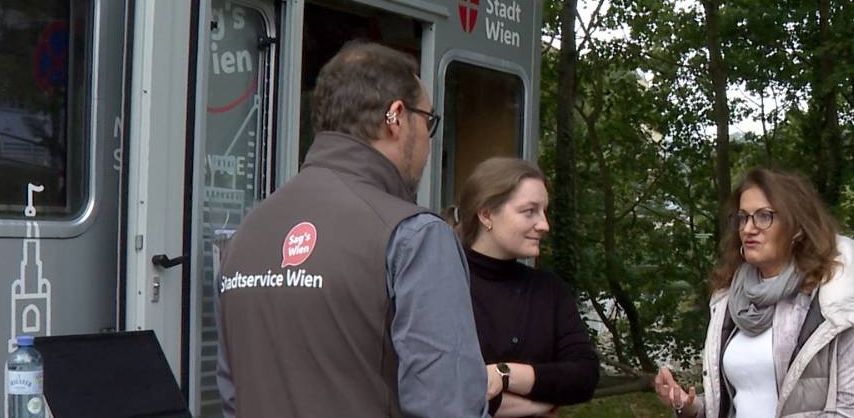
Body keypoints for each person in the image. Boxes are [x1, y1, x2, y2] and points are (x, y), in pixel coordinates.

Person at [215, 41, 495, 417]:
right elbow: (449, 406)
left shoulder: (246, 234)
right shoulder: (414, 237)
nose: (429, 141)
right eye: (428, 120)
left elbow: (233, 397)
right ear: (396, 117)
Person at [654, 168, 854, 418]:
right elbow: (741, 402)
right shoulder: (731, 297)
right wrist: (690, 407)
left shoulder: (834, 298)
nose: (748, 228)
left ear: (797, 226)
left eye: (763, 216)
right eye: (743, 217)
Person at [453, 157, 601, 417]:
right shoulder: (444, 284)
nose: (544, 225)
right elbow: (446, 389)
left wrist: (504, 374)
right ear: (486, 214)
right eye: (529, 211)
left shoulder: (549, 291)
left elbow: (584, 375)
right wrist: (537, 404)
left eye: (544, 211)